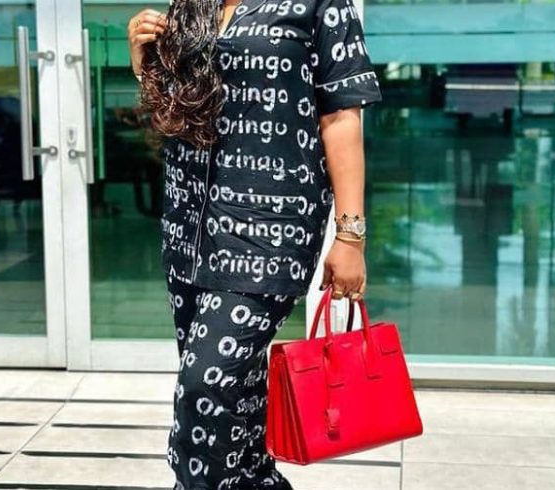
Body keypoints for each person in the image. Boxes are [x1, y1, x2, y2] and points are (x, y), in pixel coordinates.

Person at [127, 0, 382, 487]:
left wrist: (350, 236)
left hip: (272, 226)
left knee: (206, 385)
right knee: (236, 403)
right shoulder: (193, 5)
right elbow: (176, 116)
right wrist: (143, 64)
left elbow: (341, 118)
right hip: (189, 225)